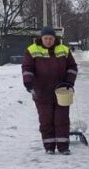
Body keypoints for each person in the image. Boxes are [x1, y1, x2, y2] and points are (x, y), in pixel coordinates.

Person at [22, 27, 78, 155]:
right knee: (46, 120)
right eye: (46, 38)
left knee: (62, 119)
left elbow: (72, 67)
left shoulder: (64, 50)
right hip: (42, 92)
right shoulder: (32, 50)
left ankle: (63, 147)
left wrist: (69, 81)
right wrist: (28, 82)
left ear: (55, 39)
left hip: (62, 91)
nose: (48, 41)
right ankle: (49, 147)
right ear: (41, 38)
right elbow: (27, 67)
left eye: (51, 38)